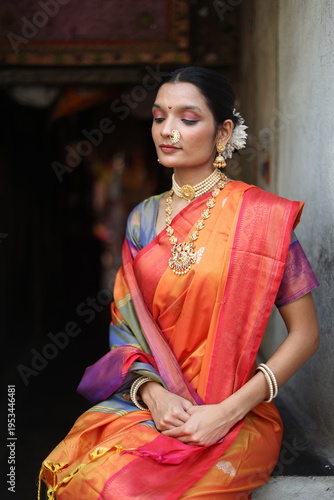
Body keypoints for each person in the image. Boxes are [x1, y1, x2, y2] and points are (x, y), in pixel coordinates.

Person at [39, 67, 320, 499]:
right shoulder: (141, 220)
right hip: (156, 408)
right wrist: (154, 396)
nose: (167, 131)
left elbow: (305, 335)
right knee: (85, 477)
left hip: (236, 413)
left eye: (188, 119)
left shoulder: (262, 219)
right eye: (158, 117)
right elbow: (126, 333)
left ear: (223, 132)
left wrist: (225, 412)